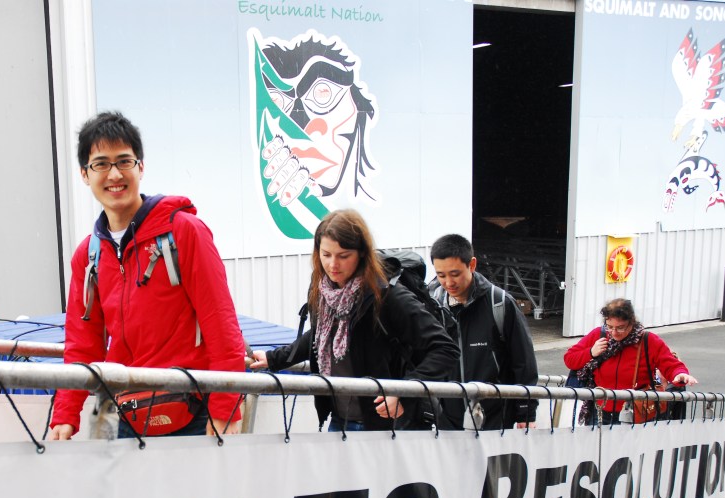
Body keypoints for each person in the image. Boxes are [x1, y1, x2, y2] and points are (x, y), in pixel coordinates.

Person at [48, 112, 245, 439]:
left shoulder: (184, 232)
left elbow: (220, 321)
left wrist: (225, 409)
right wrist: (65, 414)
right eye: (101, 164)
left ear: (141, 166)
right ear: (84, 174)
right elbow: (82, 343)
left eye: (124, 161)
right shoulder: (89, 256)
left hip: (195, 416)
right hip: (130, 415)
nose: (114, 174)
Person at [250, 209, 459, 432]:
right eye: (326, 254)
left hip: (386, 426)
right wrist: (273, 358)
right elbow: (321, 333)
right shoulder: (323, 290)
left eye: (343, 256)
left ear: (361, 254)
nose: (333, 265)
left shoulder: (386, 295)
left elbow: (445, 349)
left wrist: (403, 392)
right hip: (339, 420)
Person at [429, 234, 539, 430]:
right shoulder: (433, 306)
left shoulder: (500, 303)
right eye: (441, 275)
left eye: (455, 274)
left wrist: (526, 412)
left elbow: (524, 362)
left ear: (472, 264)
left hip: (495, 417)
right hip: (447, 419)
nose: (448, 282)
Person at [563, 298, 698, 425]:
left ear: (631, 323)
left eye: (620, 327)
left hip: (635, 411)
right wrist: (591, 352)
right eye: (610, 326)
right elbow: (569, 359)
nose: (614, 332)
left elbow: (670, 364)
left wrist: (680, 374)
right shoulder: (599, 334)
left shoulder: (648, 340)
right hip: (599, 410)